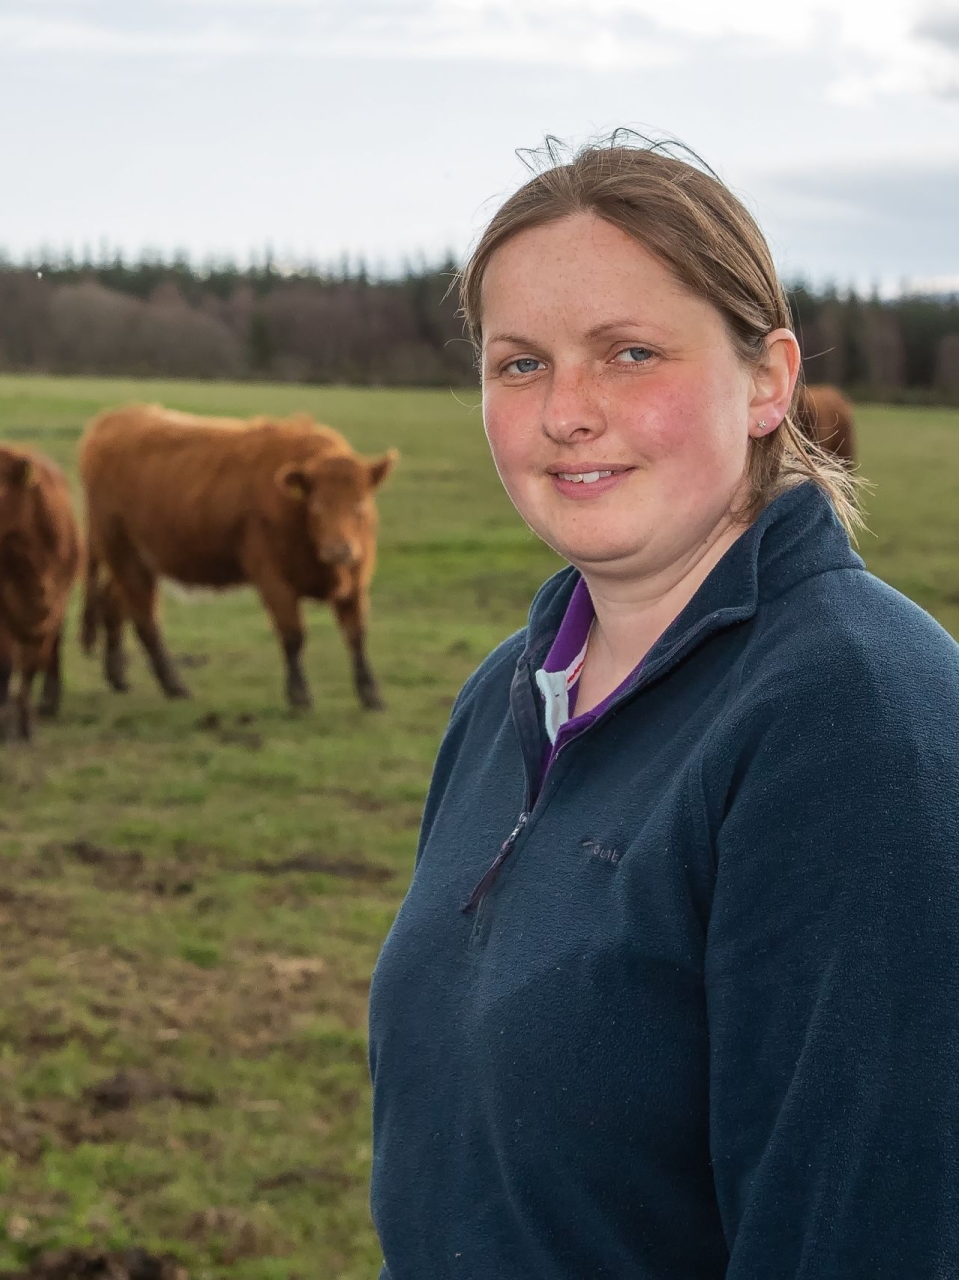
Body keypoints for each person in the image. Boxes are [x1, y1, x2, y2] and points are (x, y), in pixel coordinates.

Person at [366, 135, 959, 1278]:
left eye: (630, 352)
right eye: (519, 363)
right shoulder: (507, 695)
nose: (567, 412)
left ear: (769, 380)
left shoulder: (858, 726)